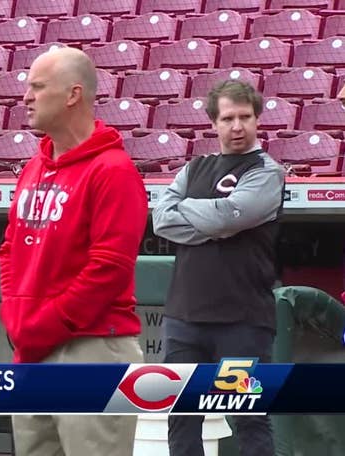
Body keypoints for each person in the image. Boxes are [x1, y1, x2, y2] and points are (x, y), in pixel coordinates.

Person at [0, 47, 148, 456]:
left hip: (93, 346)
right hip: (31, 347)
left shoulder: (113, 170)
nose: (26, 96)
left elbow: (110, 269)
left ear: (72, 95)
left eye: (37, 87)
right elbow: (9, 249)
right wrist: (15, 314)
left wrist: (42, 325)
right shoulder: (33, 167)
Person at [152, 80, 284, 456]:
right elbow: (161, 219)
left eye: (245, 117)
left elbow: (230, 216)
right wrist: (214, 222)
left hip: (241, 321)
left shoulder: (265, 171)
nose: (237, 126)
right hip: (185, 318)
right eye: (228, 118)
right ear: (214, 123)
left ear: (258, 119)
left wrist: (201, 213)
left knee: (247, 416)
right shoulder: (196, 167)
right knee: (181, 414)